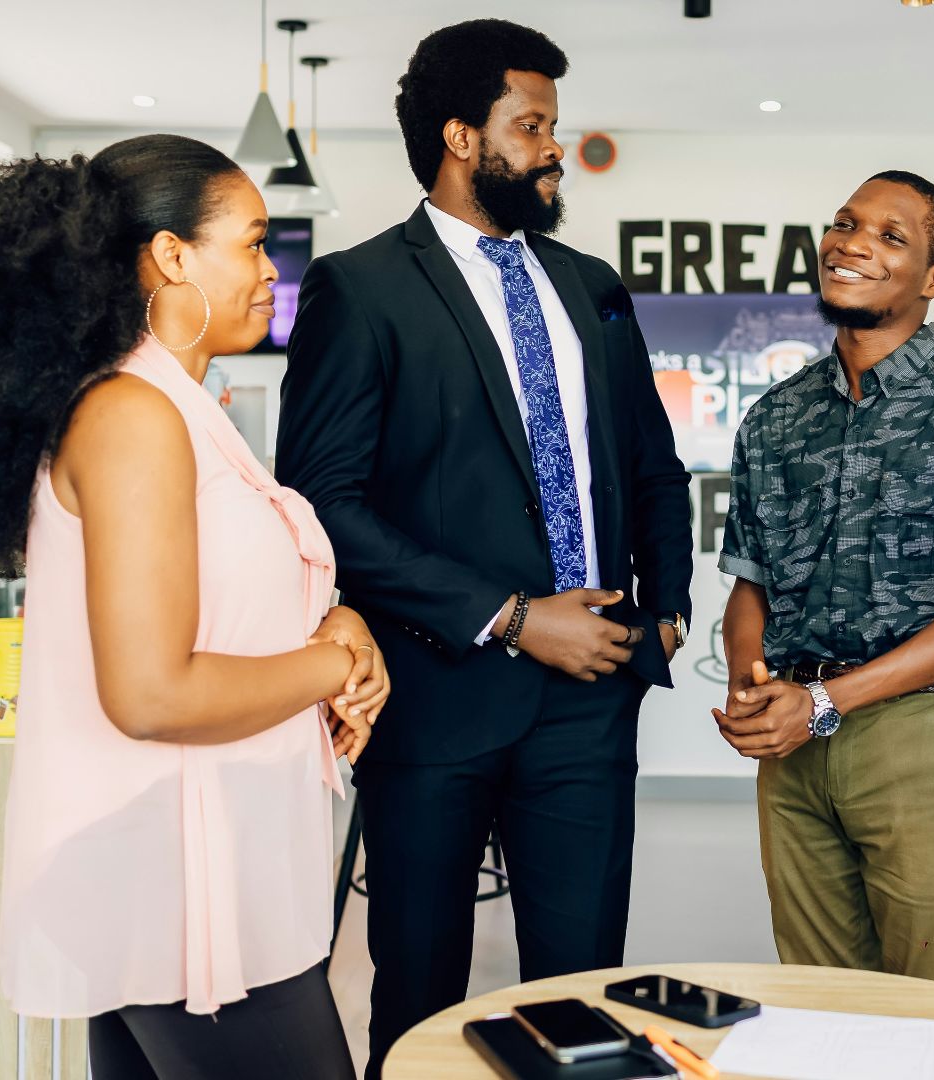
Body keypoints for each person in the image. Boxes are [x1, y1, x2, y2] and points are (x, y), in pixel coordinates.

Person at [0, 134, 388, 1080]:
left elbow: (240, 611)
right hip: (176, 884)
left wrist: (341, 626)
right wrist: (336, 665)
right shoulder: (133, 416)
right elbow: (151, 693)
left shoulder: (182, 410)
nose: (272, 272)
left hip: (204, 860)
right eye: (252, 243)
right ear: (170, 256)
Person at [277, 20, 692, 1076]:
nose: (556, 146)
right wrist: (511, 616)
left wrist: (668, 604)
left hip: (591, 698)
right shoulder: (361, 288)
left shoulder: (593, 283)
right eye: (534, 124)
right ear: (464, 136)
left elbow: (651, 462)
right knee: (417, 995)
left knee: (586, 1002)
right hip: (436, 695)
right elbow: (324, 503)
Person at [714, 173, 934, 988]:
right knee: (819, 1001)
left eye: (891, 236)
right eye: (845, 224)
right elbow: (750, 581)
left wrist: (830, 702)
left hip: (918, 736)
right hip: (791, 746)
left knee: (933, 1012)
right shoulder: (776, 415)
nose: (852, 242)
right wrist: (754, 689)